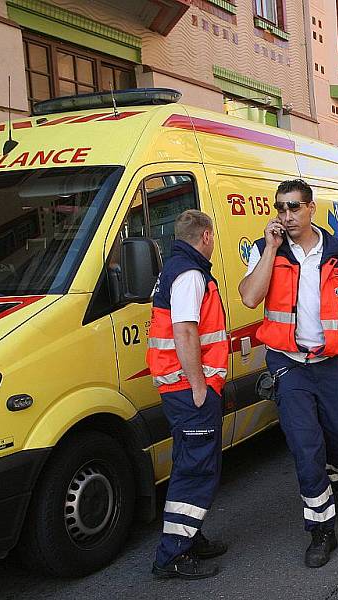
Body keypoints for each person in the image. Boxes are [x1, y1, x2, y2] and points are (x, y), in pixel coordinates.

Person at [238, 179, 338, 568]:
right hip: (289, 365)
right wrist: (270, 249)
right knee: (305, 446)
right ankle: (321, 530)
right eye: (280, 208)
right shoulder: (268, 251)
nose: (286, 215)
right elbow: (250, 297)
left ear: (311, 208)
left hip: (332, 363)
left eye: (294, 207)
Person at [147, 210, 229, 580]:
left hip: (179, 387)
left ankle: (189, 537)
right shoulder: (190, 274)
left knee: (191, 466)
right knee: (195, 472)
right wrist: (199, 385)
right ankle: (173, 555)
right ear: (206, 236)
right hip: (189, 388)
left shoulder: (177, 268)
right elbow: (184, 331)